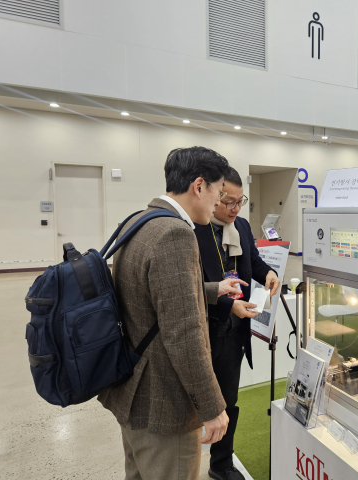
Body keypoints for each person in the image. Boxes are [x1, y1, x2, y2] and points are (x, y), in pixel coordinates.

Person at [98, 147, 231, 480]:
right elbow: (183, 334)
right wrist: (212, 408)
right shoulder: (176, 234)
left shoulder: (140, 220)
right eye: (218, 191)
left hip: (132, 390)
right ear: (199, 186)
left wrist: (212, 291)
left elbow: (151, 293)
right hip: (163, 405)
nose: (218, 202)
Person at [194, 167, 281, 480]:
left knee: (228, 400)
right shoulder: (192, 228)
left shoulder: (241, 226)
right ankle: (187, 462)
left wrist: (268, 273)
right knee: (194, 403)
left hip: (233, 333)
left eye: (239, 202)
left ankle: (221, 464)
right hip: (202, 331)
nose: (234, 209)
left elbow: (253, 262)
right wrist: (230, 304)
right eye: (227, 202)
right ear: (212, 194)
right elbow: (191, 286)